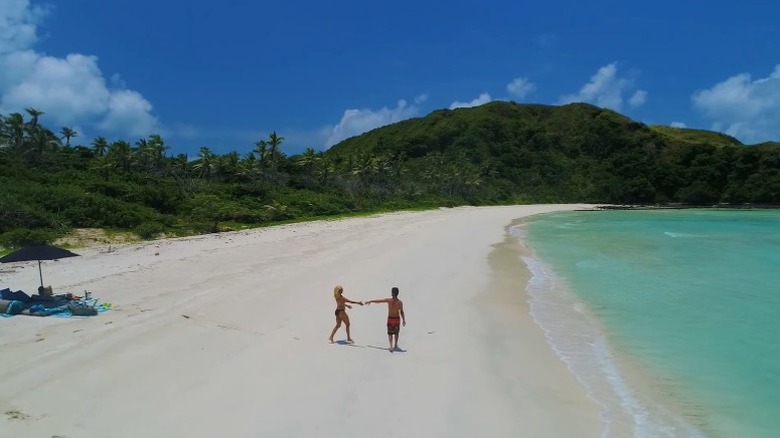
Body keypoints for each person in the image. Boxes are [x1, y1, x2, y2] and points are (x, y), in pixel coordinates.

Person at [365, 287, 406, 352]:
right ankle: (395, 344)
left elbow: (379, 301)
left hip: (390, 318)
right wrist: (403, 320)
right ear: (398, 293)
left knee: (390, 333)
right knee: (396, 333)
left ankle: (391, 346)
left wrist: (370, 301)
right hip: (396, 319)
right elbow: (401, 312)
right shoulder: (399, 302)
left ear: (392, 293)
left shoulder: (389, 300)